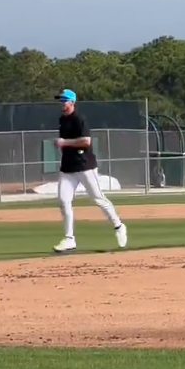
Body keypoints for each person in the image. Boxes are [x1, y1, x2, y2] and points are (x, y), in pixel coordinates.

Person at [51, 89, 128, 252]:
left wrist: (64, 143)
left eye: (64, 100)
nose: (62, 103)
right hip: (68, 168)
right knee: (63, 202)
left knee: (98, 198)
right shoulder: (62, 120)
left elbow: (86, 141)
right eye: (61, 101)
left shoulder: (79, 119)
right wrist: (63, 147)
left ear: (72, 102)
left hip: (84, 166)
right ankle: (69, 238)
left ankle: (119, 226)